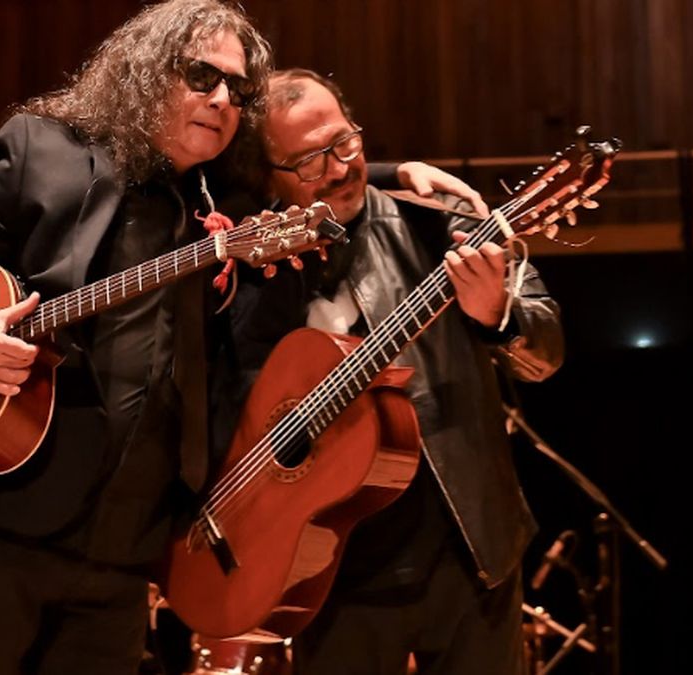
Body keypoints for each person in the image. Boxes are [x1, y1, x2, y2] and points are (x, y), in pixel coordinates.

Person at [0, 2, 465, 671]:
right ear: (146, 70)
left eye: (238, 89)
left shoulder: (223, 197)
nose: (222, 98)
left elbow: (306, 178)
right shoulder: (48, 153)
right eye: (202, 75)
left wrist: (394, 175)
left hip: (127, 552)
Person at [218, 69, 565, 675]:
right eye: (306, 162)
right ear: (267, 174)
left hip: (469, 552)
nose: (336, 168)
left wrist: (497, 317)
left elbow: (547, 352)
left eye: (343, 143)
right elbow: (235, 405)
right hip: (328, 567)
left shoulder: (444, 219)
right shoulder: (257, 262)